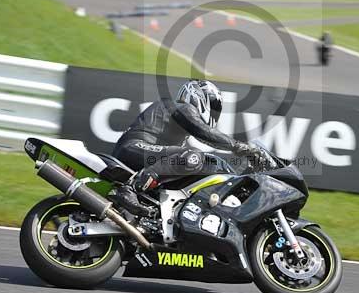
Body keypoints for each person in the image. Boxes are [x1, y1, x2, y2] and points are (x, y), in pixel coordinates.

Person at [110, 79, 267, 215]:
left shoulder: (178, 127)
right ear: (197, 94)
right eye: (213, 106)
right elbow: (203, 132)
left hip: (143, 154)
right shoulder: (179, 106)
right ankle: (130, 189)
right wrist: (242, 147)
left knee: (197, 165)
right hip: (134, 147)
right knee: (193, 157)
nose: (214, 113)